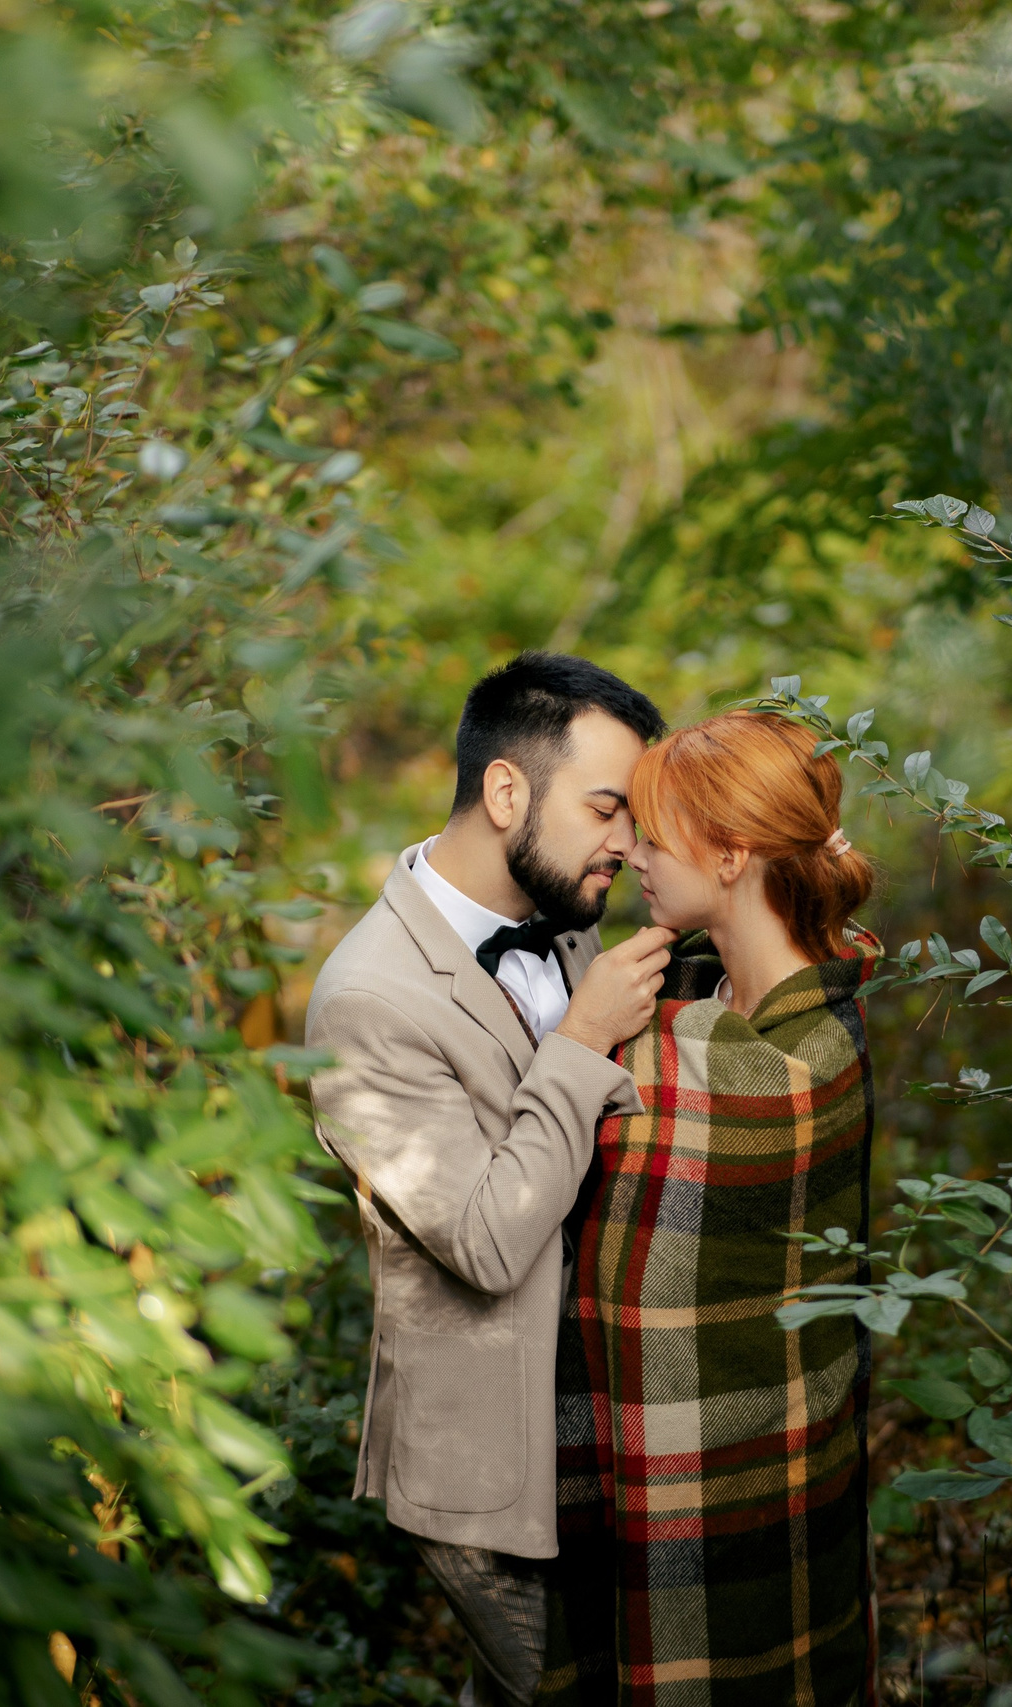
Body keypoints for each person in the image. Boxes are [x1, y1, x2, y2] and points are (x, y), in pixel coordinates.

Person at [306, 653, 680, 1707]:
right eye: (605, 808)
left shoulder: (573, 923)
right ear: (505, 790)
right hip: (494, 1471)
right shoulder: (365, 1000)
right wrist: (584, 1040)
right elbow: (485, 1238)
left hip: (604, 1428)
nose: (626, 842)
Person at [541, 710, 880, 1707]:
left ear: (731, 856)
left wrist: (584, 1037)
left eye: (654, 834)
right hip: (631, 1467)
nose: (631, 853)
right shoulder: (691, 992)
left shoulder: (801, 1050)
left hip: (760, 1474)